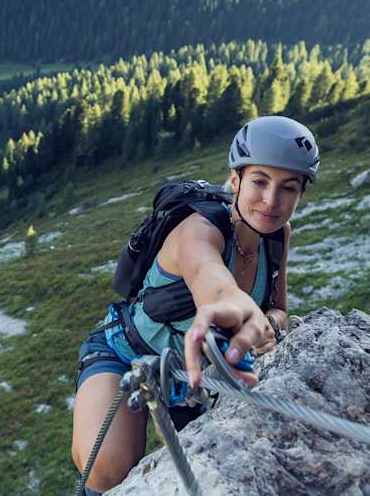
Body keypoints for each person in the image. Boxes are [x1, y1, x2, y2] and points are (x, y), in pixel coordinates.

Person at [70, 116, 319, 493]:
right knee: (106, 467)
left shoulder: (278, 237)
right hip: (125, 352)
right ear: (235, 180)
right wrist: (237, 312)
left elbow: (278, 306)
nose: (271, 201)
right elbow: (212, 283)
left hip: (196, 374)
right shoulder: (198, 229)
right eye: (260, 182)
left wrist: (267, 321)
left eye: (288, 188)